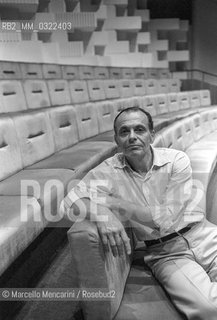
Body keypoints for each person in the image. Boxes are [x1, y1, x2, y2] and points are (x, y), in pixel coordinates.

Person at [61, 106, 217, 320]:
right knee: (207, 308)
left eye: (139, 130)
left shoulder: (176, 160)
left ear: (152, 135)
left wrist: (112, 202)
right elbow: (69, 201)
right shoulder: (108, 170)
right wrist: (100, 214)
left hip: (204, 235)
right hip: (168, 253)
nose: (132, 137)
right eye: (124, 132)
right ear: (116, 139)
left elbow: (163, 217)